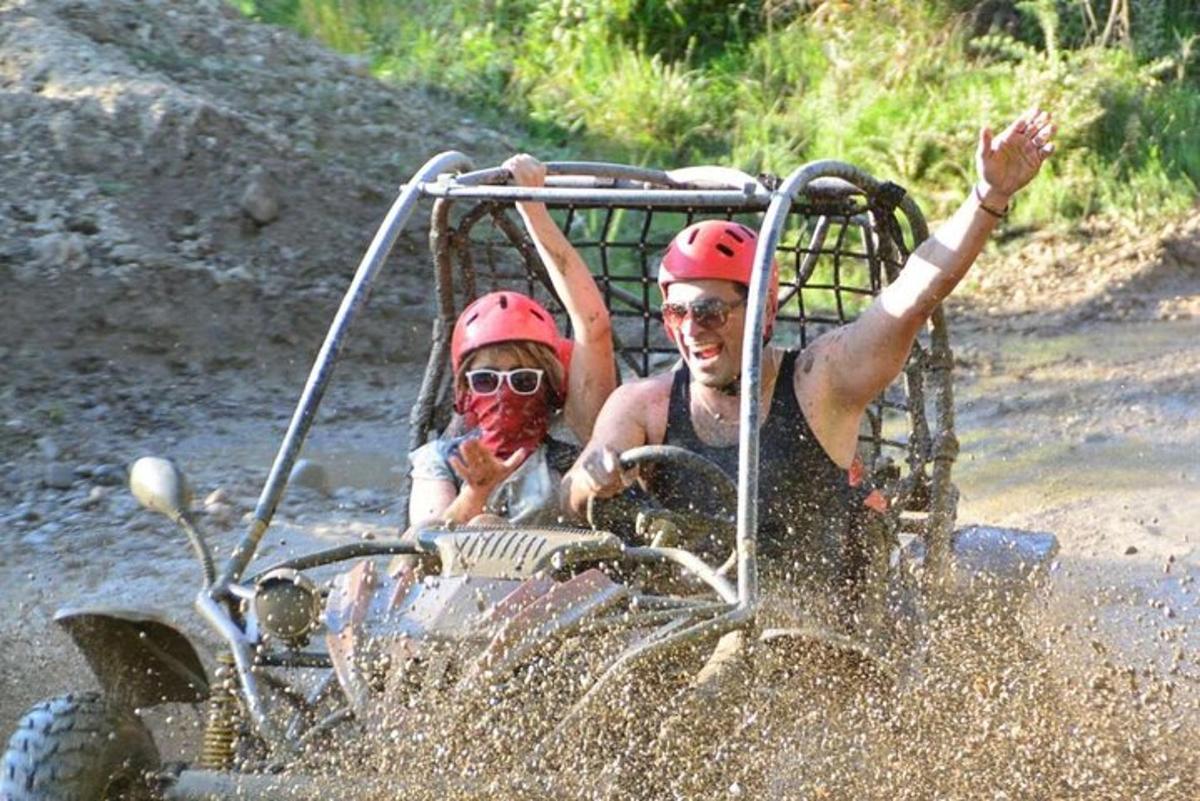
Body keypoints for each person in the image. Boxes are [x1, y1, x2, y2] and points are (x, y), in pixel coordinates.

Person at [562, 108, 1057, 599]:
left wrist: (988, 197)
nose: (692, 329)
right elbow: (571, 495)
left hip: (823, 630)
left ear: (760, 311)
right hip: (686, 616)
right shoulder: (642, 406)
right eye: (677, 313)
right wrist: (595, 477)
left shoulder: (819, 381)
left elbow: (912, 294)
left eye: (710, 312)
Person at [406, 154, 616, 529]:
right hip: (459, 580)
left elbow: (593, 325)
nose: (504, 394)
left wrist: (532, 210)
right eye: (486, 380)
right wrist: (476, 493)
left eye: (523, 380)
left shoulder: (570, 440)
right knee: (475, 527)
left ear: (549, 386)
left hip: (556, 581)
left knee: (487, 527)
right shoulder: (439, 459)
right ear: (464, 392)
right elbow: (420, 549)